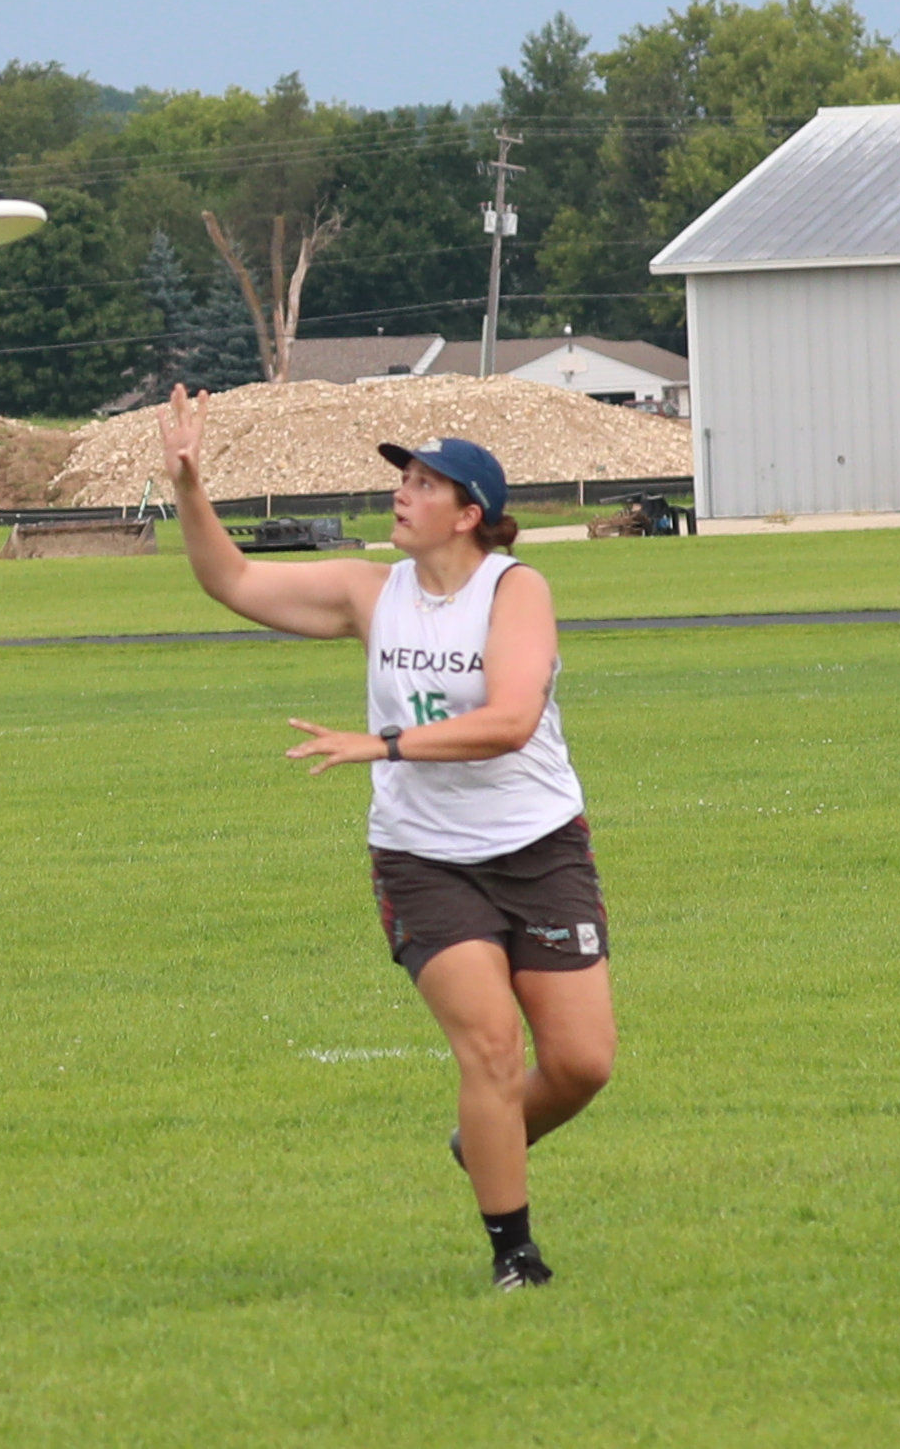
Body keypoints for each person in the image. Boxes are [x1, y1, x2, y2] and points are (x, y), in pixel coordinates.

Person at [156, 384, 616, 1290]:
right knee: (490, 1047)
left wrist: (385, 743)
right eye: (402, 478)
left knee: (581, 1063)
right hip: (422, 856)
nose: (400, 493)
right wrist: (188, 487)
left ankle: (482, 1139)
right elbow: (232, 580)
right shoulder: (369, 591)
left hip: (537, 845)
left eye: (422, 483)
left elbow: (512, 720)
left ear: (468, 514)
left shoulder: (515, 590)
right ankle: (514, 1254)